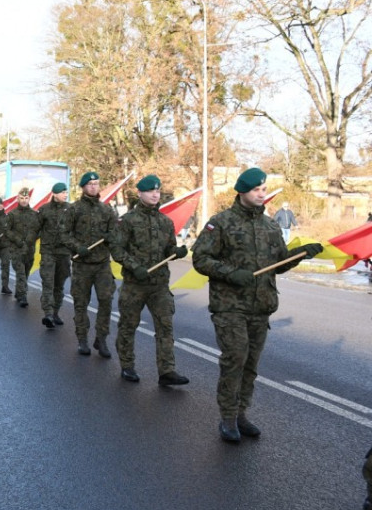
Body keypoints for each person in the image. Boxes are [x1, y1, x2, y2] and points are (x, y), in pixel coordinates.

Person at [192, 167, 323, 443]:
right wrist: (230, 273)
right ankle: (227, 418)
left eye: (264, 189)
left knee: (251, 364)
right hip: (229, 306)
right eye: (256, 190)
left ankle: (241, 414)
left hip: (260, 306)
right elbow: (201, 259)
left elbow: (278, 264)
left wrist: (300, 254)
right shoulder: (222, 222)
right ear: (242, 192)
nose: (262, 194)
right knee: (235, 357)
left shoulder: (271, 226)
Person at [110, 175, 190, 386]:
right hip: (135, 284)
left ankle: (167, 371)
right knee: (128, 325)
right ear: (140, 193)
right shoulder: (128, 221)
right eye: (150, 191)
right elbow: (117, 250)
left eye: (157, 191)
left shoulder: (165, 222)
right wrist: (134, 267)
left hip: (159, 285)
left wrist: (177, 251)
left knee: (165, 327)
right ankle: (127, 365)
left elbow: (168, 249)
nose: (155, 194)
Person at [61, 172, 117, 358]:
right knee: (80, 303)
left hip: (102, 264)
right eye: (90, 184)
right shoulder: (74, 209)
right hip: (82, 264)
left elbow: (116, 235)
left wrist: (112, 237)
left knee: (106, 301)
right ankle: (82, 339)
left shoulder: (107, 210)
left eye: (96, 183)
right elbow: (64, 234)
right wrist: (78, 247)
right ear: (83, 187)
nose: (94, 187)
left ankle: (101, 338)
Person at [38, 182, 71, 328]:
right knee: (48, 284)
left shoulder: (71, 209)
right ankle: (48, 313)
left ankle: (56, 311)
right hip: (48, 252)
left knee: (59, 286)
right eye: (62, 192)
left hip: (64, 253)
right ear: (55, 194)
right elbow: (36, 229)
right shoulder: (44, 210)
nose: (65, 194)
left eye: (66, 192)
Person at [6, 188, 41, 308]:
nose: (24, 200)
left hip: (30, 250)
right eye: (22, 198)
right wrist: (17, 240)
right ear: (18, 198)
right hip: (17, 250)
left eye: (26, 198)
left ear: (29, 199)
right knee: (20, 273)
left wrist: (33, 238)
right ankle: (23, 295)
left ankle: (18, 292)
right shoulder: (12, 214)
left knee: (25, 274)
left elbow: (39, 230)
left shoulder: (35, 214)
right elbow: (6, 230)